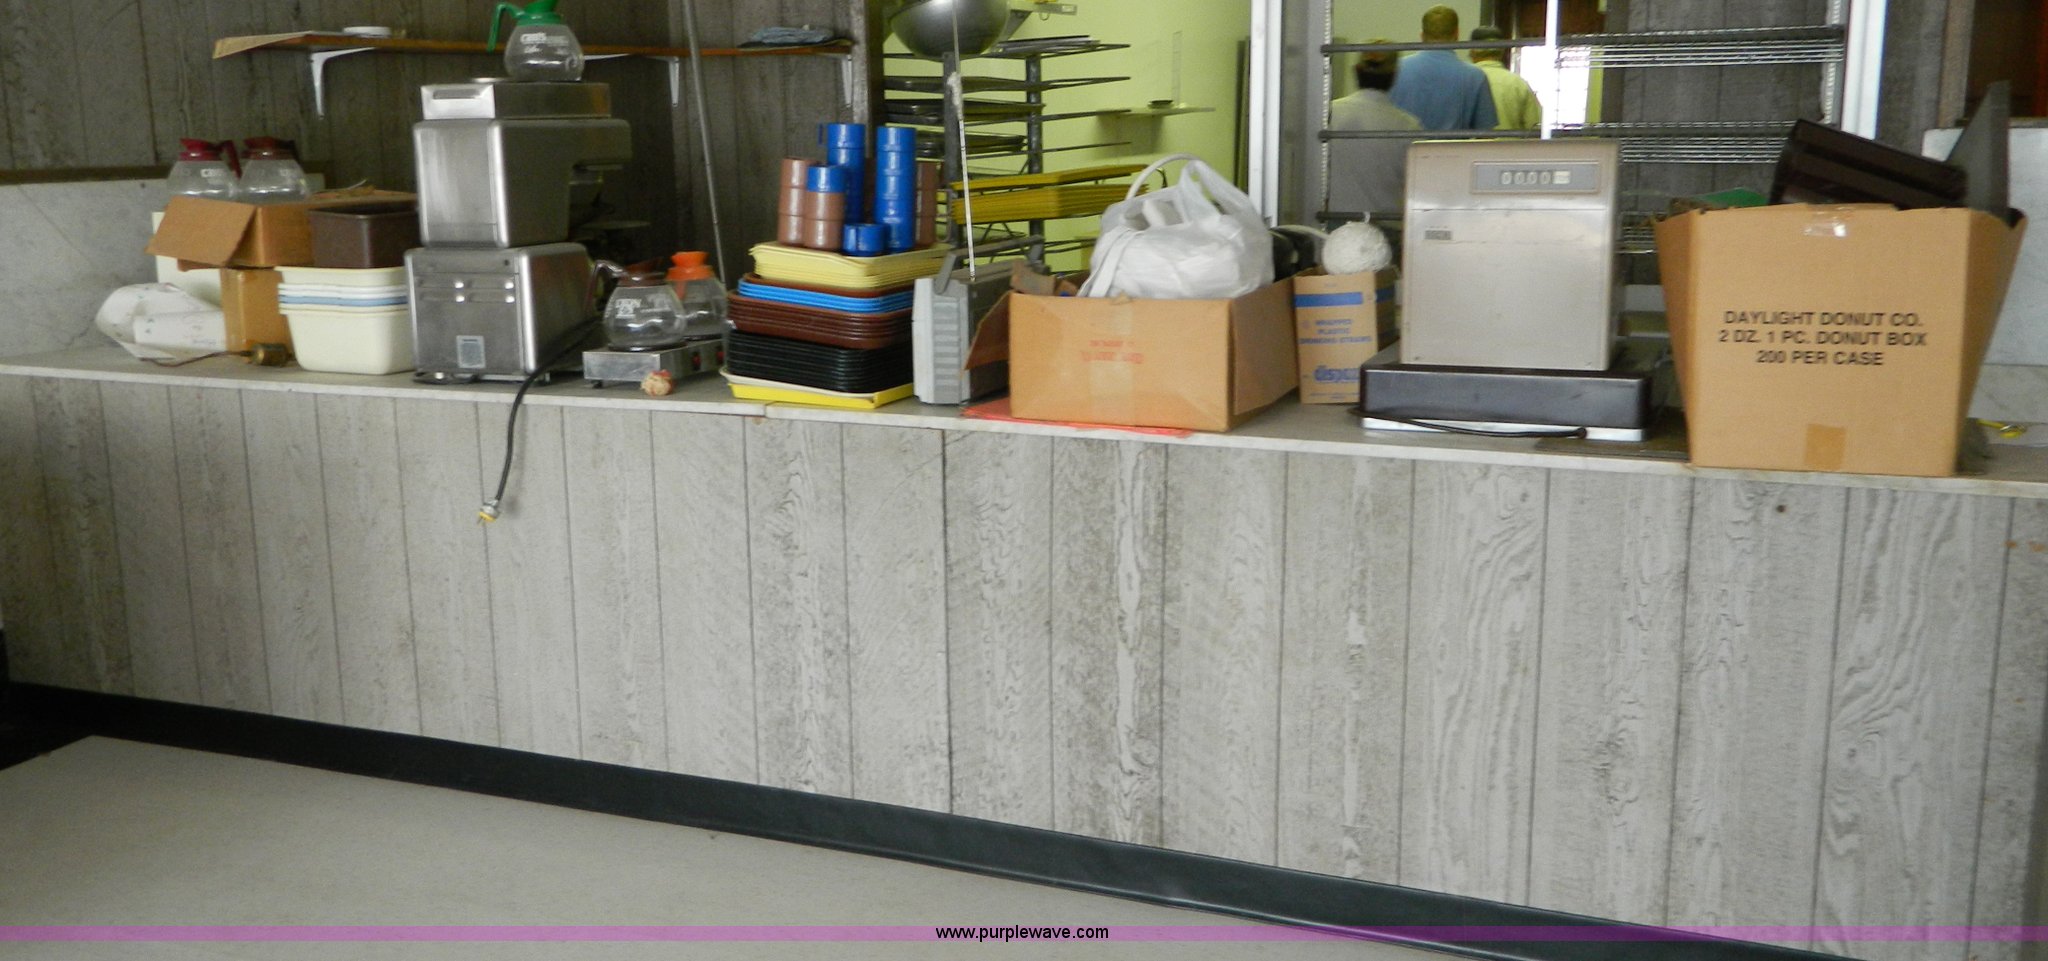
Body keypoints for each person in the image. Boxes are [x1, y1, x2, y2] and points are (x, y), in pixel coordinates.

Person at [1327, 45, 1422, 219]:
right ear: (1394, 75)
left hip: (1333, 223)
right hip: (1387, 225)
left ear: (1356, 70)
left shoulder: (1328, 114)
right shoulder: (1408, 125)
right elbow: (1417, 184)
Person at [1389, 6, 1497, 131]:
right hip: (1453, 144)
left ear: (1422, 35)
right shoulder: (1476, 76)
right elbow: (1485, 132)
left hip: (1404, 143)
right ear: (1457, 34)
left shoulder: (1396, 69)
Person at [1470, 25, 1543, 130]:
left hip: (1468, 141)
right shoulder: (1518, 84)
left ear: (1472, 52)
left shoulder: (1462, 81)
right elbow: (1535, 127)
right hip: (1510, 141)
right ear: (1503, 51)